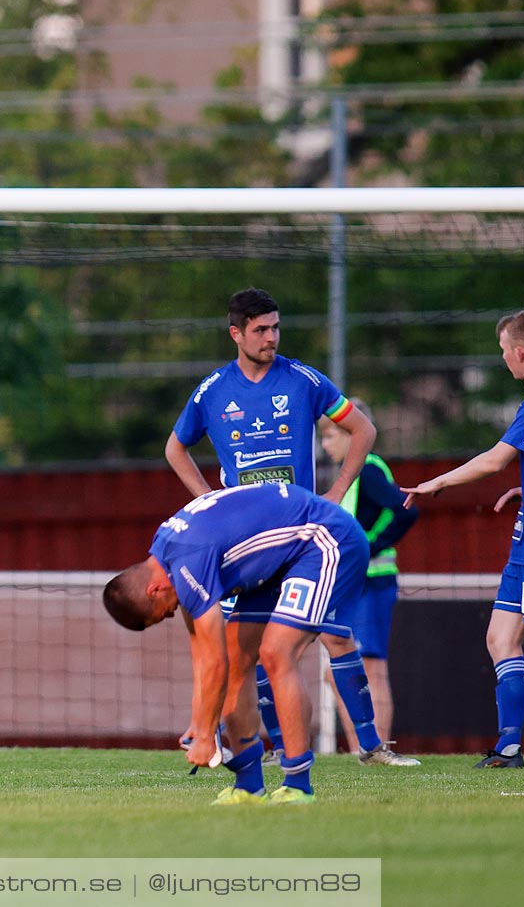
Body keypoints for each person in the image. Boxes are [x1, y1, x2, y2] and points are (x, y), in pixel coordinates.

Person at [164, 288, 413, 766]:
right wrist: (209, 502)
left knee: (338, 635)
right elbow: (175, 449)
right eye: (260, 329)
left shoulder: (303, 380)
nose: (271, 337)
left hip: (301, 541)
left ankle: (371, 747)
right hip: (249, 546)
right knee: (246, 650)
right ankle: (265, 748)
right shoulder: (212, 391)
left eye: (275, 327)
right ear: (236, 333)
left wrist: (336, 493)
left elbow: (364, 430)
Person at [403, 309, 524, 769]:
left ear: (520, 353)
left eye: (503, 353)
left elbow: (495, 459)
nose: (504, 362)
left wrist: (438, 482)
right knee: (500, 637)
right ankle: (509, 748)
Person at [103, 481, 372, 805]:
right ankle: (248, 786)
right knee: (236, 656)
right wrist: (199, 721)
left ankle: (298, 785)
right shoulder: (167, 553)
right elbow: (203, 652)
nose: (170, 615)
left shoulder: (188, 562)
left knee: (276, 653)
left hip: (325, 540)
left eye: (160, 615)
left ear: (154, 591)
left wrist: (206, 737)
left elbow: (213, 662)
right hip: (280, 556)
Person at [321, 399, 418, 751]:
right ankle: (363, 748)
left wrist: (369, 546)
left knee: (372, 669)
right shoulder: (351, 475)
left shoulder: (369, 469)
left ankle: (378, 748)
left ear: (352, 434)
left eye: (330, 436)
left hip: (373, 583)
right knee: (335, 672)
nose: (325, 445)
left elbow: (405, 510)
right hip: (354, 586)